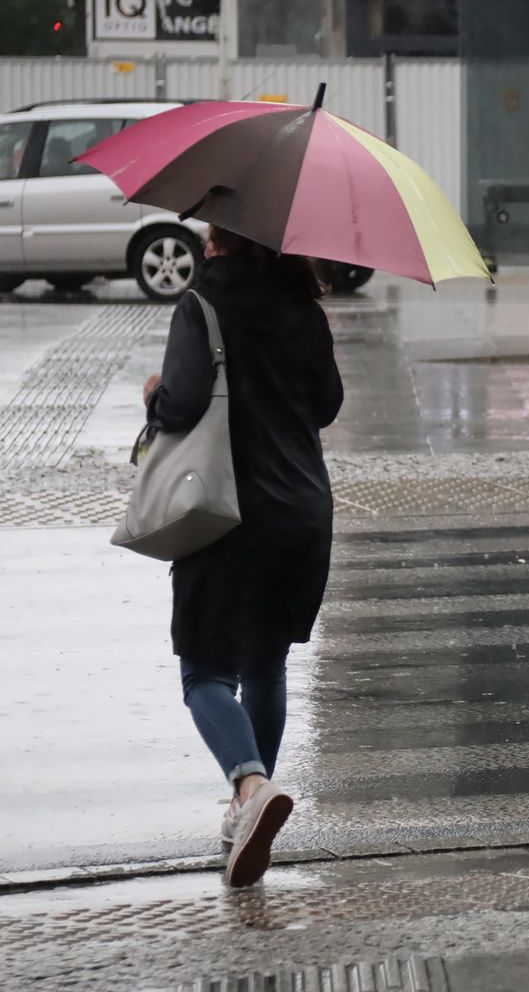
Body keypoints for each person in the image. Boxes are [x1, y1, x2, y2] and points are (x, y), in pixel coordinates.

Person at [143, 225, 343, 886]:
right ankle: (247, 811)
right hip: (303, 514)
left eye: (207, 232)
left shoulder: (202, 306)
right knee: (265, 665)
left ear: (219, 241)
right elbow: (327, 405)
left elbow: (181, 406)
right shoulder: (303, 308)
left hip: (228, 513)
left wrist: (154, 396)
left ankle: (251, 788)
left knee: (204, 673)